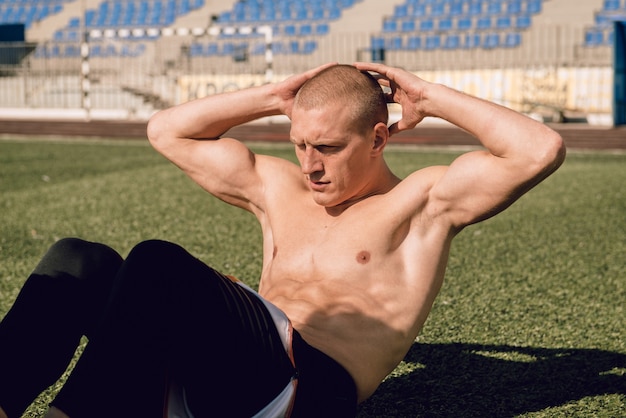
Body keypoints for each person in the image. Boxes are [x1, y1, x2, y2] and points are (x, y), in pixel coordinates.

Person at [0, 62, 565, 418]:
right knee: (79, 260)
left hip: (304, 390)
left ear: (377, 137)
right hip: (227, 377)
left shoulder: (421, 203)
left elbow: (538, 149)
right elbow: (165, 130)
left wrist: (430, 97)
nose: (311, 165)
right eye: (300, 145)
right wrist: (273, 97)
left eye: (329, 148)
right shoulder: (279, 187)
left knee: (158, 264)